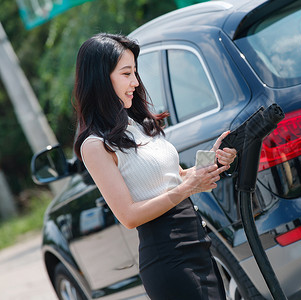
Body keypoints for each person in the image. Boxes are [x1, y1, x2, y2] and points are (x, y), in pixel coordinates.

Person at [73, 33, 237, 300]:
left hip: (199, 246)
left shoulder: (137, 124)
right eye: (126, 74)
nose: (136, 83)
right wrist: (186, 188)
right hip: (169, 261)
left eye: (135, 73)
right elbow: (128, 216)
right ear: (101, 80)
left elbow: (176, 177)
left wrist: (211, 160)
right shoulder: (95, 145)